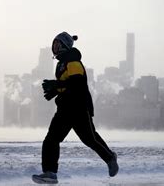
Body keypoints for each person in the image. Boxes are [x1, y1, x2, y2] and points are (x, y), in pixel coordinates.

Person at [32, 32, 118, 184]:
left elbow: (77, 84)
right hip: (64, 108)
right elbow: (67, 84)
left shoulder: (73, 61)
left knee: (90, 139)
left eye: (58, 44)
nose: (55, 47)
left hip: (78, 108)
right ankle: (50, 173)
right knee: (51, 139)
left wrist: (56, 85)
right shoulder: (62, 63)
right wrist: (55, 91)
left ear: (65, 45)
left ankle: (110, 158)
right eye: (54, 44)